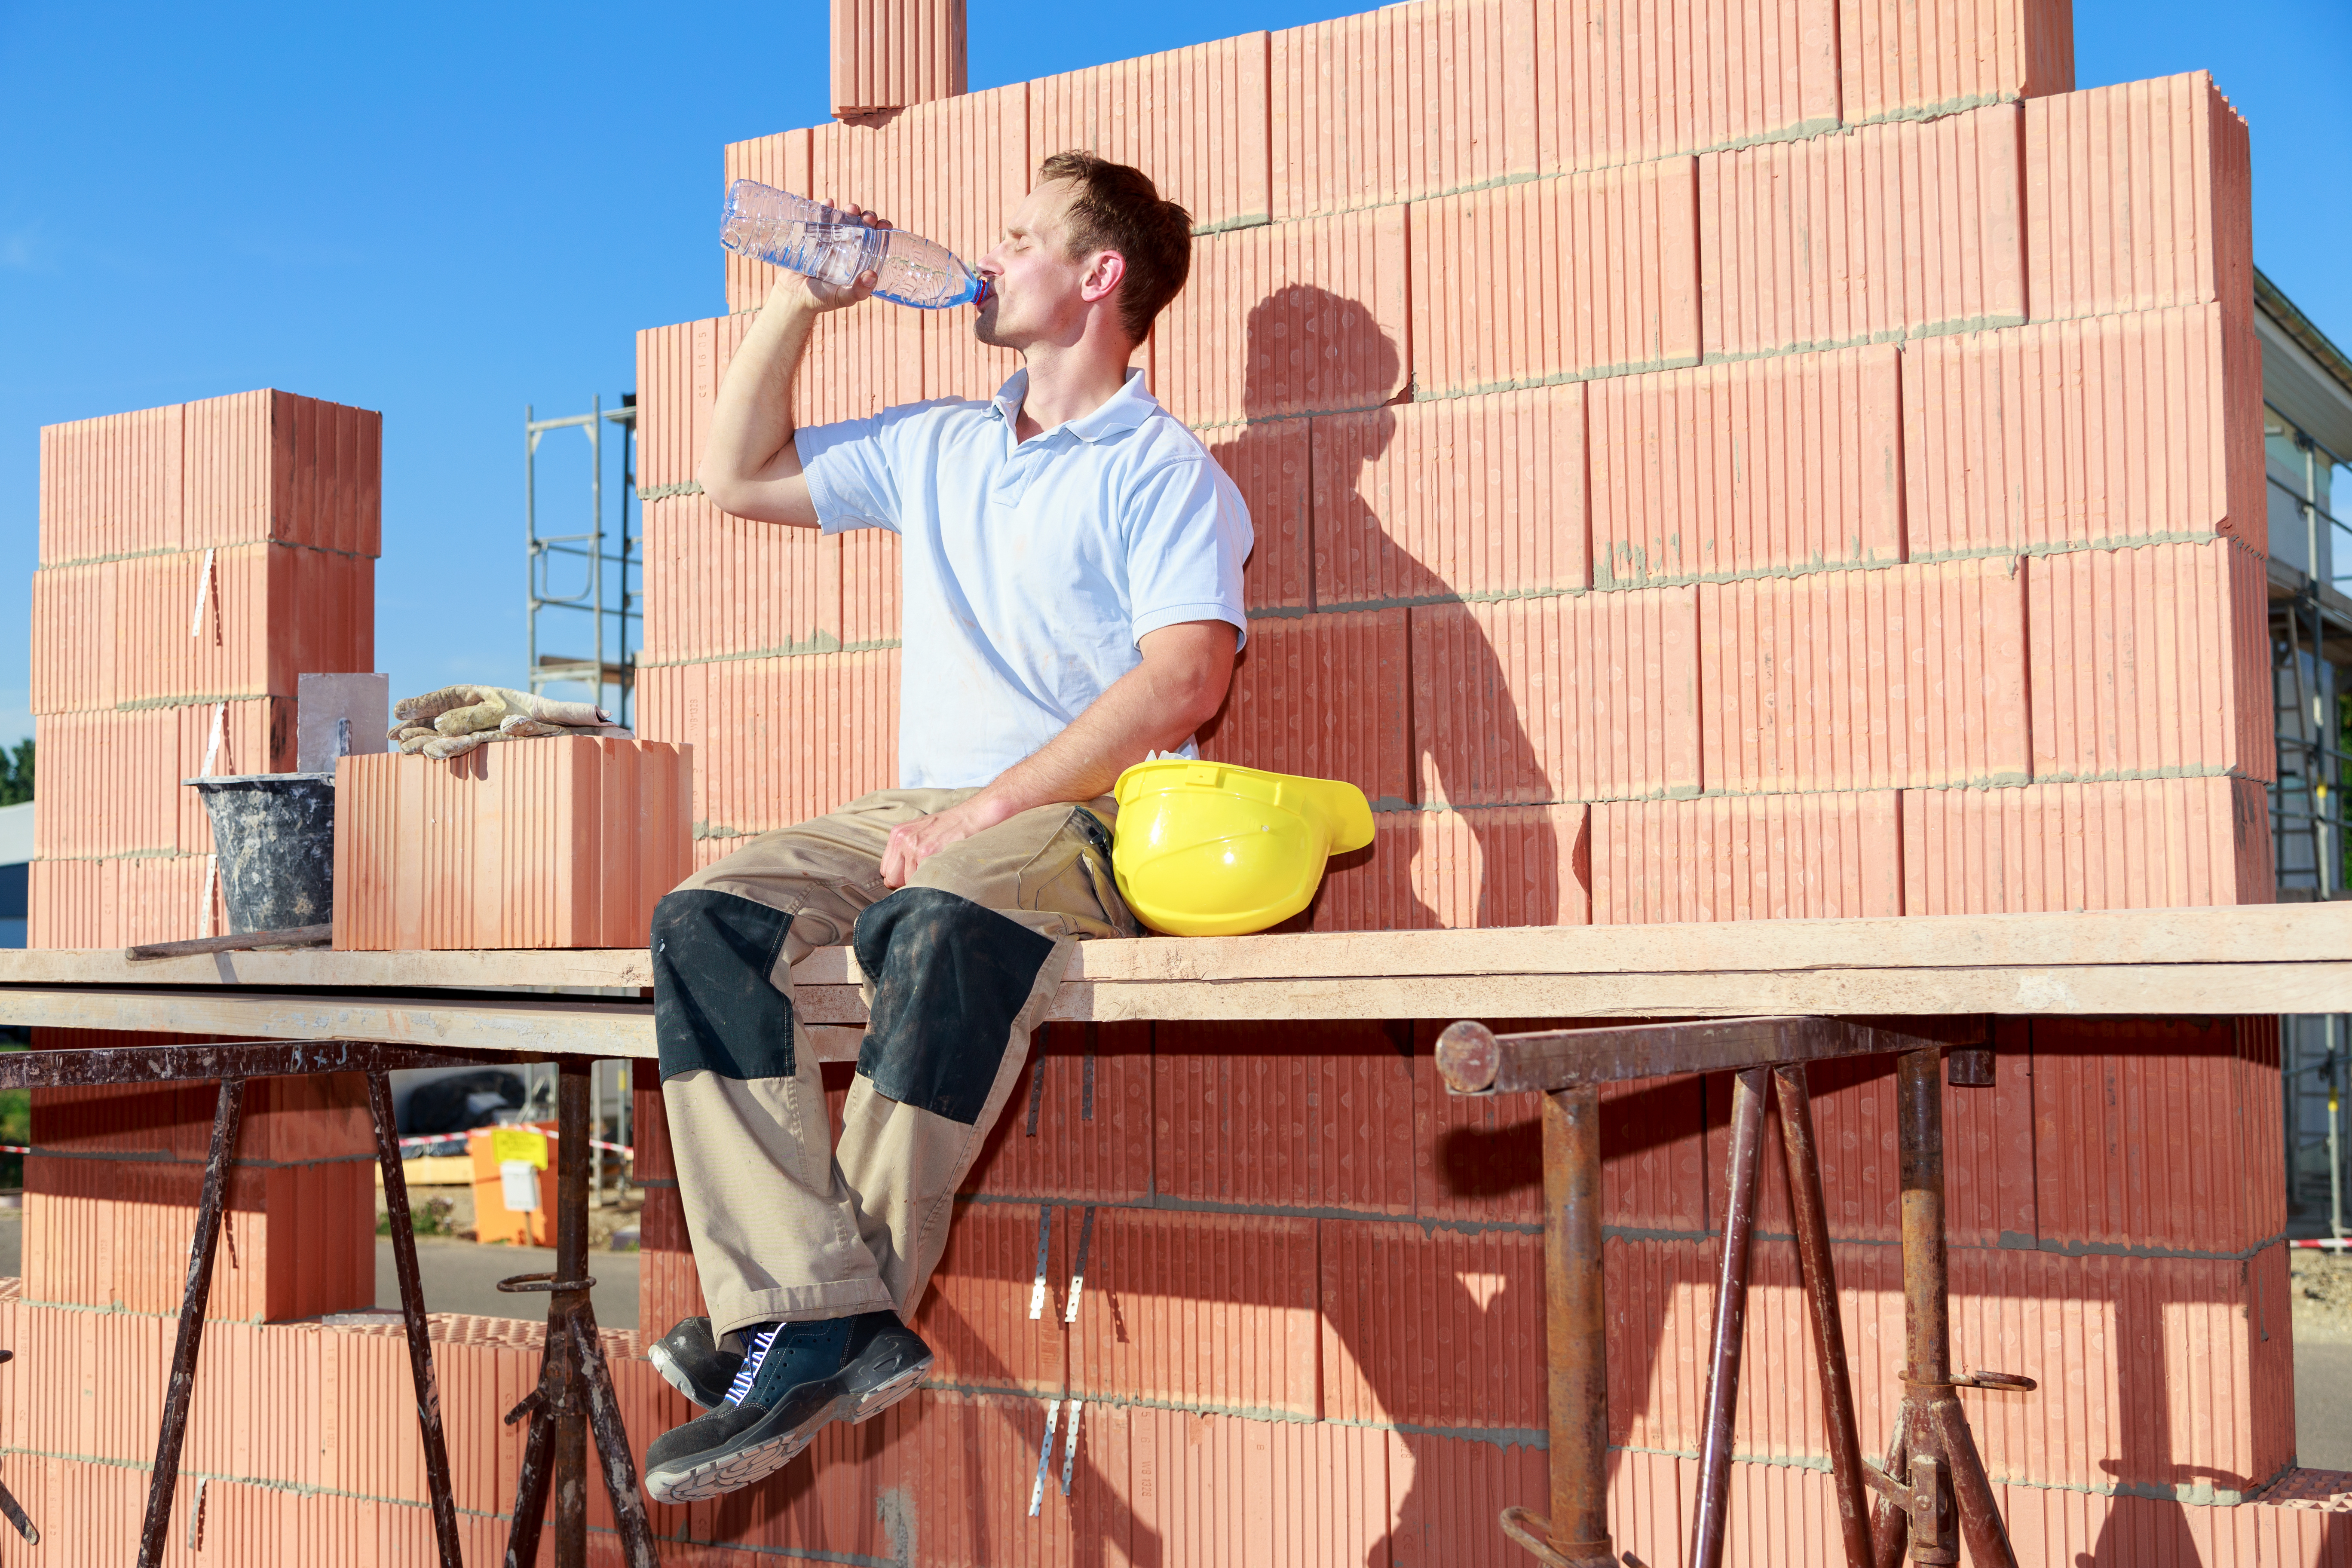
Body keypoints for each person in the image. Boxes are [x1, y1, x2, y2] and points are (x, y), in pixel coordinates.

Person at [640, 152, 1252, 1504]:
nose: (991, 253)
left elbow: (1185, 680)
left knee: (938, 921)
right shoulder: (945, 443)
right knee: (704, 923)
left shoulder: (1165, 474)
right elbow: (735, 477)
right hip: (920, 810)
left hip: (1084, 819)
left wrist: (986, 810)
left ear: (1100, 279)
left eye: (1023, 235)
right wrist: (806, 298)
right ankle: (819, 1311)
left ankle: (801, 1317)